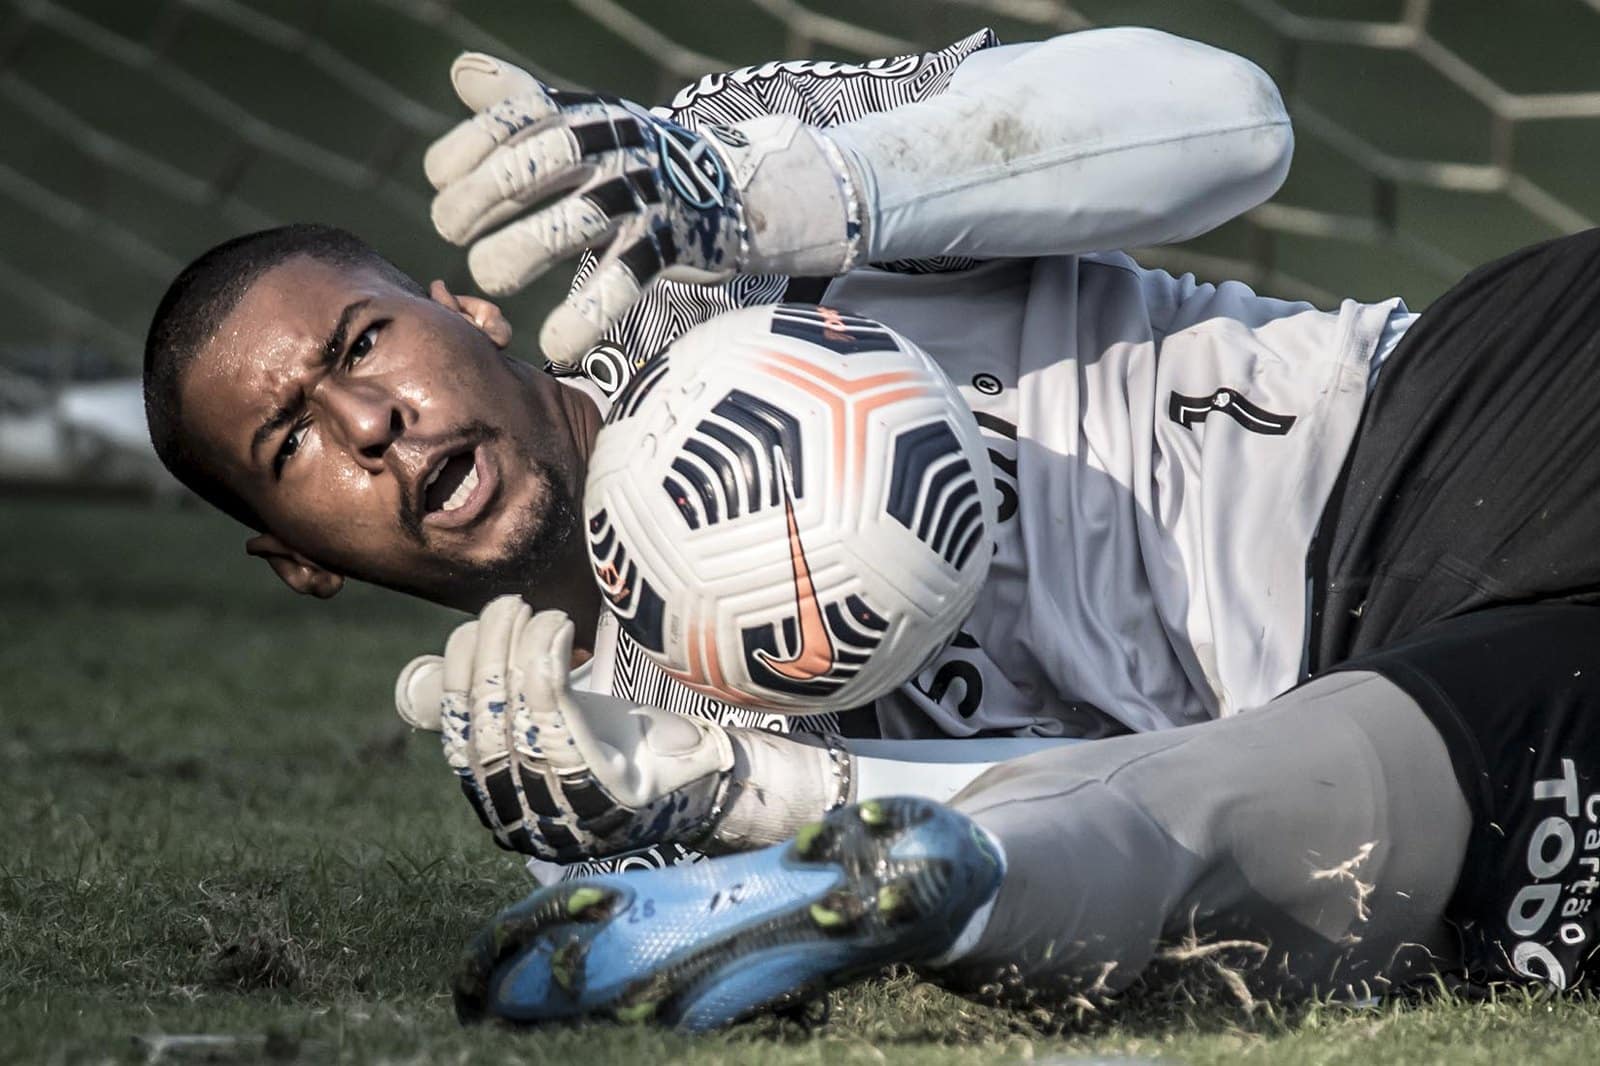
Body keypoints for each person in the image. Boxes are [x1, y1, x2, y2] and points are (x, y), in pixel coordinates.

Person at [141, 28, 1600, 1027]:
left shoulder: (678, 210)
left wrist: (795, 193)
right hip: (1370, 723)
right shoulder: (591, 765)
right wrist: (725, 790)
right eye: (294, 444)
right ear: (302, 559)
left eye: (357, 346)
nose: (369, 422)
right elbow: (1097, 791)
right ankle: (867, 852)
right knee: (1432, 787)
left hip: (1434, 426)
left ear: (461, 309)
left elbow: (1233, 121)